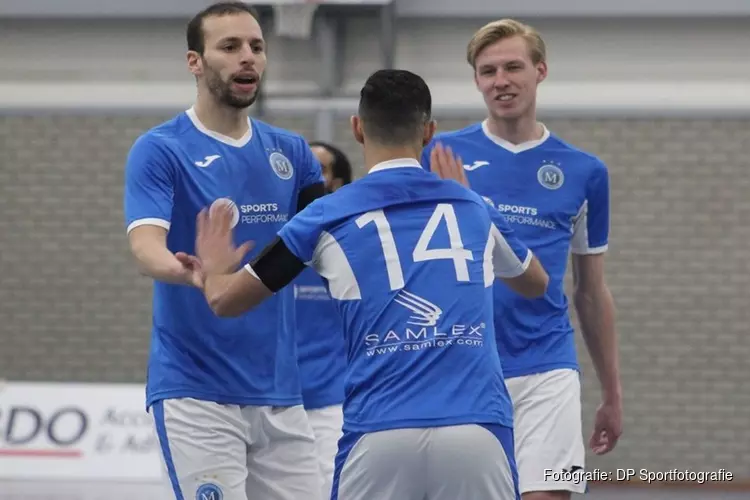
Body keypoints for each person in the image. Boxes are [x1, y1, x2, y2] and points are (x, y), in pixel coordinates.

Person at [193, 68, 550, 500]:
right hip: (477, 428)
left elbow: (226, 302)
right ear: (429, 132)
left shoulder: (323, 216)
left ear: (357, 129)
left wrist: (213, 267)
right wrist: (473, 205)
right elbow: (536, 284)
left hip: (378, 431)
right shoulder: (471, 205)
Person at [122, 2, 325, 499]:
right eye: (230, 47)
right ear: (196, 61)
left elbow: (329, 243)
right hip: (197, 390)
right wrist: (190, 271)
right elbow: (145, 243)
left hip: (281, 392)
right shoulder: (161, 148)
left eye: (256, 47)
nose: (247, 58)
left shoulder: (293, 153)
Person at [422, 18, 622, 500]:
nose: (501, 80)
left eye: (513, 67)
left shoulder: (586, 171)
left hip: (548, 365)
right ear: (476, 80)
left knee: (550, 494)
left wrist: (612, 394)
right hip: (460, 364)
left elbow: (591, 292)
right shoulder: (439, 153)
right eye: (488, 71)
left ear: (540, 71)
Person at [293, 141, 352, 498]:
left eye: (319, 170)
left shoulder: (354, 246)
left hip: (333, 406)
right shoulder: (272, 247)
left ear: (339, 184)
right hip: (271, 404)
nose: (307, 178)